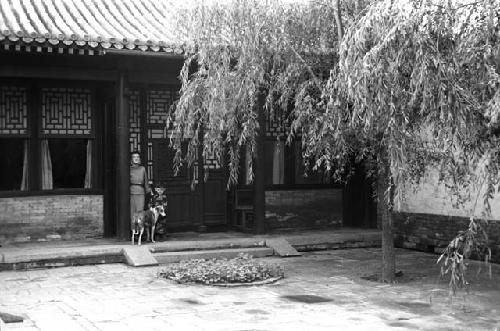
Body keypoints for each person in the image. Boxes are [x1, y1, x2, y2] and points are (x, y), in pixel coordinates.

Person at [130, 151, 151, 217]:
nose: (136, 158)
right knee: (132, 212)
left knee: (140, 213)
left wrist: (149, 192)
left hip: (141, 193)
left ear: (139, 159)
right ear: (131, 159)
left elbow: (146, 182)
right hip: (131, 193)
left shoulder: (142, 169)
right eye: (134, 157)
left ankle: (140, 227)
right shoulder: (128, 169)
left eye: (137, 157)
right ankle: (132, 227)